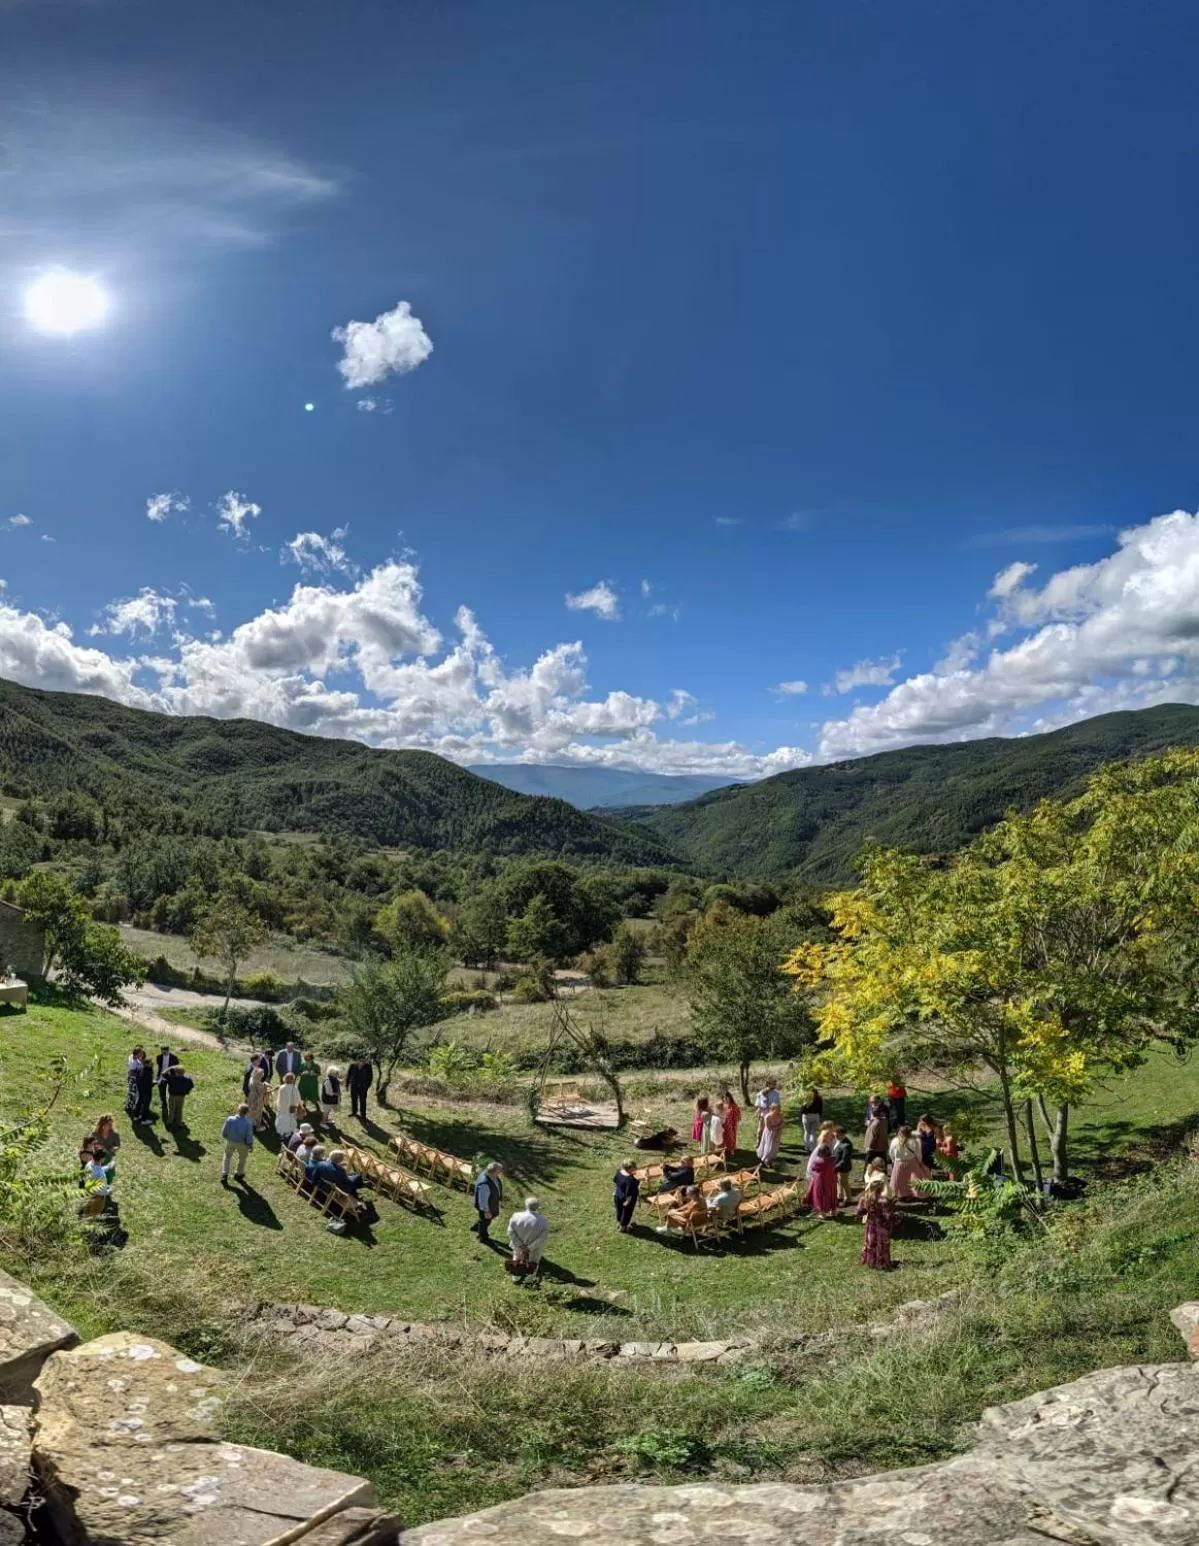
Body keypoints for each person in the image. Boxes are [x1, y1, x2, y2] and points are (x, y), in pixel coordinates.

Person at [857, 1175, 896, 1270]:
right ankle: (882, 1263)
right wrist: (897, 1217)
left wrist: (865, 1213)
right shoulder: (883, 1199)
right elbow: (888, 1215)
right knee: (881, 1244)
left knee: (870, 1243)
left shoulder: (864, 1197)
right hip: (881, 1226)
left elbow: (859, 1211)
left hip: (870, 1225)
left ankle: (870, 1261)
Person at [507, 1196, 550, 1271]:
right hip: (534, 1249)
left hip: (518, 1247)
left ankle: (516, 1276)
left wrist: (520, 1245)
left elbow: (510, 1231)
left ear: (526, 1205)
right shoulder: (543, 1220)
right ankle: (530, 1279)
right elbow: (543, 1237)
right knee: (533, 1263)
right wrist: (529, 1248)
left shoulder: (516, 1216)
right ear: (537, 1206)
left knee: (516, 1259)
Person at [888, 1125, 930, 1202]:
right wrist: (920, 1161)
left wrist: (893, 1160)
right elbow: (918, 1153)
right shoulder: (914, 1141)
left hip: (899, 1162)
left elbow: (891, 1152)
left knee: (899, 1180)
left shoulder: (894, 1141)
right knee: (912, 1179)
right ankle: (911, 1194)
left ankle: (900, 1194)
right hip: (912, 1163)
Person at [220, 1103, 255, 1184]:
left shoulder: (230, 1119)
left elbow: (224, 1132)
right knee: (242, 1158)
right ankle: (239, 1173)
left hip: (230, 1142)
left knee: (227, 1157)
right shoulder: (248, 1123)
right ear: (247, 1112)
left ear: (238, 1110)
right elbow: (249, 1136)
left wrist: (227, 1137)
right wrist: (250, 1145)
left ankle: (224, 1174)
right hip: (242, 1144)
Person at [81, 1115, 121, 1179]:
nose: (111, 1126)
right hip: (97, 1157)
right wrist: (94, 1147)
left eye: (112, 1124)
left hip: (108, 1157)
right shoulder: (95, 1134)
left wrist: (114, 1148)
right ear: (103, 1124)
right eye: (109, 1124)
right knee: (95, 1175)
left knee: (108, 1174)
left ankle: (106, 1186)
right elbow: (89, 1144)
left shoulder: (115, 1135)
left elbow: (118, 1146)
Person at [804, 1143, 839, 1217]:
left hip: (821, 1182)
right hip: (831, 1180)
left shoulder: (819, 1162)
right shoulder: (833, 1160)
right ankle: (834, 1211)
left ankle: (822, 1213)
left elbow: (813, 1168)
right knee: (832, 1195)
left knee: (821, 1196)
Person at [473, 1160, 504, 1241]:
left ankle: (479, 1227)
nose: (501, 1172)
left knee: (486, 1220)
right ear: (494, 1172)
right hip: (486, 1207)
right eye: (499, 1171)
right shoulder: (485, 1185)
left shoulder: (492, 1176)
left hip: (491, 1203)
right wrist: (486, 1211)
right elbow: (483, 1201)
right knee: (485, 1221)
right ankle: (482, 1236)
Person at [154, 1046, 180, 1121]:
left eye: (164, 1052)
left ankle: (171, 1105)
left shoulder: (174, 1057)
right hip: (162, 1076)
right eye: (162, 1052)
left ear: (168, 1051)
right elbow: (159, 1067)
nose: (163, 1053)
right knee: (161, 1090)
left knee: (172, 1092)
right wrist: (158, 1077)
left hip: (171, 1077)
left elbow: (177, 1067)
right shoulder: (159, 1057)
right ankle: (164, 1103)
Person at [613, 1161, 640, 1232]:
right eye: (634, 1167)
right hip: (627, 1199)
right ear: (629, 1168)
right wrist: (628, 1201)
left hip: (618, 1195)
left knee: (619, 1210)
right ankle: (623, 1227)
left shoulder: (619, 1172)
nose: (636, 1168)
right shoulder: (630, 1179)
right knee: (627, 1212)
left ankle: (619, 1223)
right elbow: (629, 1192)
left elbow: (615, 1180)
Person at [275, 1072, 302, 1139]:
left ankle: (281, 1132)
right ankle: (288, 1132)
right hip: (292, 1107)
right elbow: (298, 1098)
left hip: (283, 1108)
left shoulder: (282, 1087)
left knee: (282, 1120)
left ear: (284, 1079)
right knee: (290, 1119)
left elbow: (279, 1098)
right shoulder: (294, 1088)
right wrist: (299, 1104)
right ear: (293, 1079)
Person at [757, 1100, 783, 1167]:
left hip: (777, 1133)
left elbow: (783, 1123)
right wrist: (779, 1126)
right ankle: (765, 1160)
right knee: (769, 1147)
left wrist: (779, 1129)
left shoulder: (780, 1115)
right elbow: (769, 1128)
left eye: (780, 1108)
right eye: (778, 1108)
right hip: (769, 1134)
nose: (779, 1110)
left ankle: (770, 1160)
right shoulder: (767, 1117)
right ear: (773, 1109)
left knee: (775, 1147)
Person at [864, 1103, 889, 1174]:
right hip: (883, 1146)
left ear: (872, 1114)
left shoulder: (875, 1124)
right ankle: (884, 1175)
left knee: (868, 1162)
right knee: (883, 1162)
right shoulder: (884, 1121)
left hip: (874, 1148)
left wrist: (869, 1147)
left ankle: (867, 1175)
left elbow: (873, 1136)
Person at [832, 1127, 854, 1207]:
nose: (836, 1135)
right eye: (835, 1133)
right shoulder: (838, 1141)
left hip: (843, 1168)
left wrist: (835, 1167)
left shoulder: (846, 1145)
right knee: (839, 1181)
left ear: (843, 1134)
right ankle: (839, 1196)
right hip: (838, 1167)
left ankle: (848, 1199)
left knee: (844, 1183)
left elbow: (844, 1160)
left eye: (838, 1134)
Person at [346, 1056, 373, 1121]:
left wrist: (367, 1086)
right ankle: (354, 1112)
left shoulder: (368, 1067)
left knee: (363, 1101)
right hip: (354, 1086)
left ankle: (363, 1115)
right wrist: (347, 1085)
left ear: (365, 1061)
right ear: (357, 1060)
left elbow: (370, 1077)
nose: (362, 1062)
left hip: (363, 1087)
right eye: (360, 1060)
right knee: (354, 1100)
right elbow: (348, 1075)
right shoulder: (352, 1066)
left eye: (363, 1061)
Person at [798, 1087, 824, 1153]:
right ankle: (812, 1148)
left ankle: (807, 1147)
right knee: (813, 1132)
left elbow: (802, 1109)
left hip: (806, 1116)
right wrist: (820, 1116)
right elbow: (820, 1109)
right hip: (815, 1116)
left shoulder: (805, 1098)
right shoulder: (819, 1098)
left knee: (807, 1132)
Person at [246, 1065, 271, 1130]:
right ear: (258, 1075)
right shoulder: (259, 1084)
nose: (262, 1075)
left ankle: (249, 1123)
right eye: (261, 1074)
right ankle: (257, 1126)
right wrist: (267, 1089)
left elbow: (262, 1083)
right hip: (258, 1100)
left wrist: (265, 1084)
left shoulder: (251, 1079)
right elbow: (263, 1091)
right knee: (258, 1112)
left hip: (251, 1098)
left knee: (251, 1110)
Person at [720, 1090, 741, 1161]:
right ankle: (724, 1149)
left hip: (731, 1126)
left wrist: (734, 1123)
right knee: (723, 1138)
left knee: (731, 1138)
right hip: (722, 1125)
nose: (725, 1099)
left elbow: (737, 1117)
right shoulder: (722, 1105)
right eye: (724, 1098)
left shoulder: (734, 1106)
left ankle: (731, 1150)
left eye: (726, 1098)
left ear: (730, 1097)